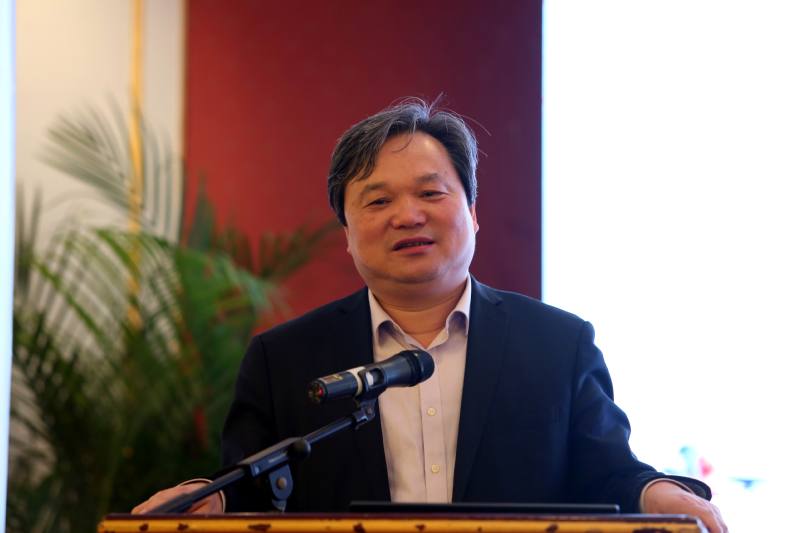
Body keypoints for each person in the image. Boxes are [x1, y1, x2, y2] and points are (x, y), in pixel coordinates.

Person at [133, 99, 727, 533]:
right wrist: (208, 498)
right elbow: (252, 488)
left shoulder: (558, 345)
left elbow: (608, 473)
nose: (407, 215)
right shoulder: (285, 359)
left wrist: (656, 493)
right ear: (347, 234)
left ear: (473, 212)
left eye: (430, 193)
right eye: (378, 200)